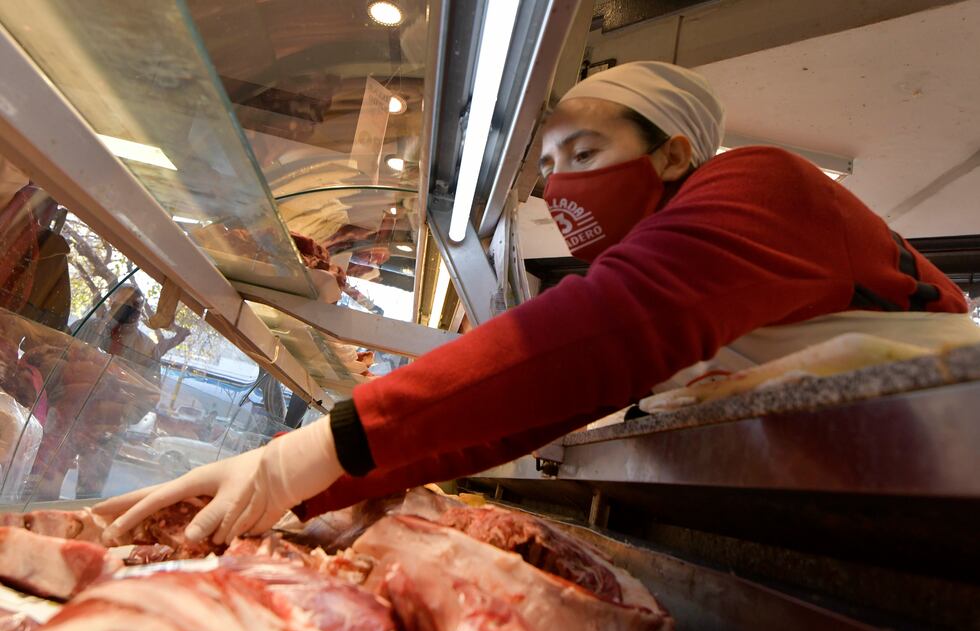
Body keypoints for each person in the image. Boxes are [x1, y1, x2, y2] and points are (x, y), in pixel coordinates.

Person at [95, 62, 980, 545]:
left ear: (674, 156)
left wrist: (307, 456)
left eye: (585, 154)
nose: (559, 187)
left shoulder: (760, 182)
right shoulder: (685, 262)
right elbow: (543, 398)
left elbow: (600, 334)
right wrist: (317, 484)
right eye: (549, 166)